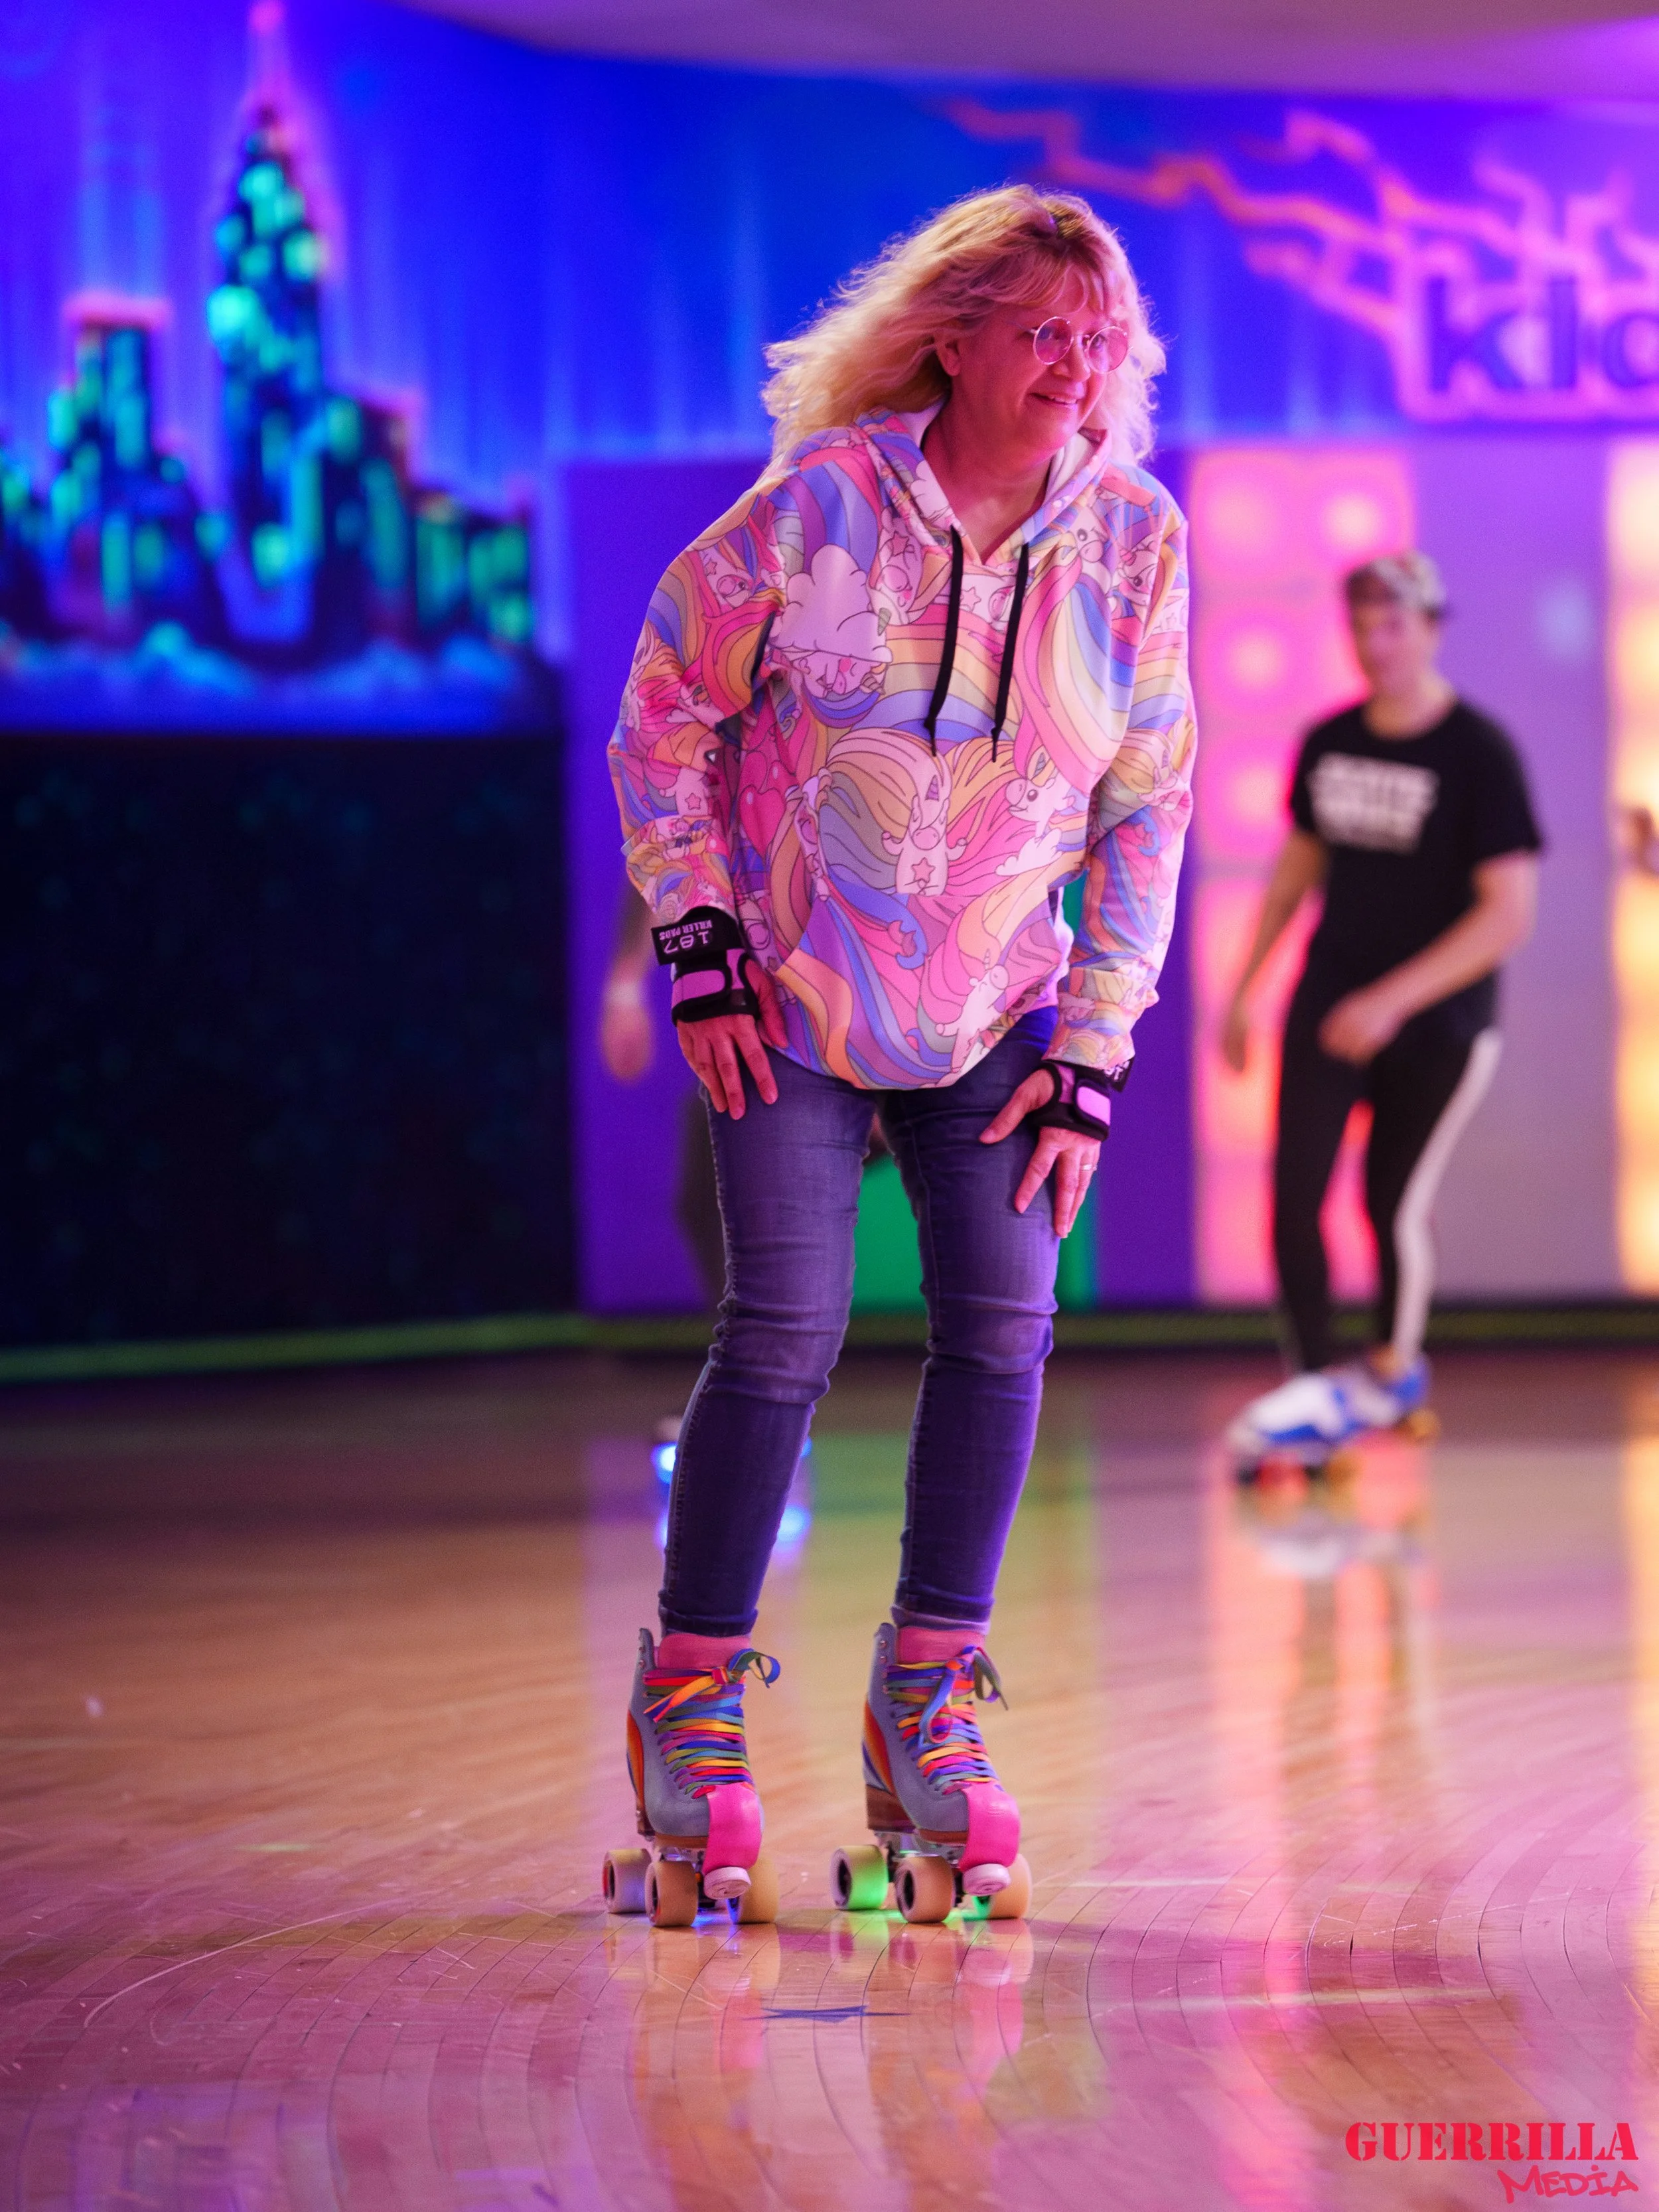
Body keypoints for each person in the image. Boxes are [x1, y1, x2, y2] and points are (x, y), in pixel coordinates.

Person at [602, 184, 1194, 1927]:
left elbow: (1147, 808)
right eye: (1042, 332)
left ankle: (923, 1692)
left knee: (1004, 1320)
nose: (1074, 371)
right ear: (951, 333)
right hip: (788, 990)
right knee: (781, 1324)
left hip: (995, 1013)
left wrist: (1090, 1050)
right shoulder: (817, 513)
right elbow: (663, 716)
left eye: (1102, 345)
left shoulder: (1134, 544)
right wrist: (698, 946)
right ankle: (690, 1701)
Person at [1220, 552, 1540, 1468]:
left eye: (1393, 624)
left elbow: (1507, 915)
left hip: (1440, 1023)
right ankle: (1314, 1385)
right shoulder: (1330, 742)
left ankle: (1395, 1372)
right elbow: (1296, 873)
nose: (1375, 644)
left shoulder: (1480, 753)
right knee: (1293, 1194)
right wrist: (1246, 989)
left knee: (1391, 1198)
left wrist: (1393, 1001)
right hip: (1328, 1001)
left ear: (1433, 629)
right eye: (1361, 626)